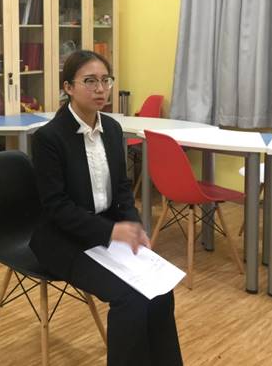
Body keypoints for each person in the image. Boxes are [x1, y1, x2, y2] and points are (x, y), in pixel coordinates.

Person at [30, 50, 183, 366]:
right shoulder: (49, 138)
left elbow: (123, 189)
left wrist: (134, 227)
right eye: (90, 81)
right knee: (130, 298)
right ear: (68, 87)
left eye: (105, 80)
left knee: (160, 290)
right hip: (63, 239)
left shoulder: (112, 129)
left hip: (106, 232)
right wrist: (112, 231)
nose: (100, 89)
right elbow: (57, 208)